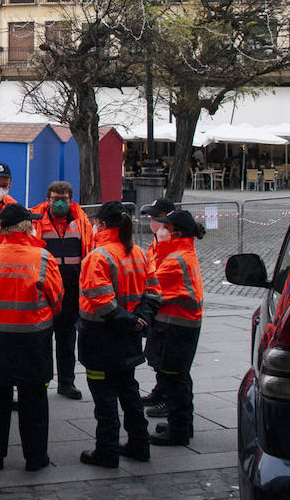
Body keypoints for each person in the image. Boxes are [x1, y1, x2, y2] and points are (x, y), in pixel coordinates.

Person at [0, 202, 63, 472]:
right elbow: (58, 298)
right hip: (32, 339)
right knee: (34, 399)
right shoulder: (42, 258)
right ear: (27, 227)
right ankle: (36, 459)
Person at [77, 200, 153, 468]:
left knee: (104, 399)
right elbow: (152, 291)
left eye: (96, 222)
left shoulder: (99, 256)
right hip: (128, 338)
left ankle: (106, 451)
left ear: (103, 224)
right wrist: (140, 319)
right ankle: (140, 444)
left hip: (100, 338)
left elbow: (99, 299)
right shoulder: (139, 254)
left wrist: (127, 321)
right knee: (129, 391)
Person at [145, 208, 204, 447]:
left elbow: (151, 285)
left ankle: (178, 430)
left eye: (165, 228)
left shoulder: (175, 260)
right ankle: (181, 424)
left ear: (176, 232)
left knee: (172, 377)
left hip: (175, 326)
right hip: (182, 323)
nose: (160, 230)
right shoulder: (182, 253)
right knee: (179, 376)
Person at [31, 180, 94, 400]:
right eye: (55, 199)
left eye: (63, 199)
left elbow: (89, 249)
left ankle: (66, 383)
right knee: (43, 339)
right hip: (45, 289)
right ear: (48, 199)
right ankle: (43, 380)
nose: (59, 203)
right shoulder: (36, 220)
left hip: (72, 289)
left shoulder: (81, 221)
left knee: (67, 339)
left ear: (70, 200)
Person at [138, 196, 177, 415]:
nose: (152, 220)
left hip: (169, 309)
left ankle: (168, 399)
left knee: (167, 360)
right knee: (156, 355)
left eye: (156, 216)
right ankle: (160, 391)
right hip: (159, 305)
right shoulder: (159, 239)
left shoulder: (170, 242)